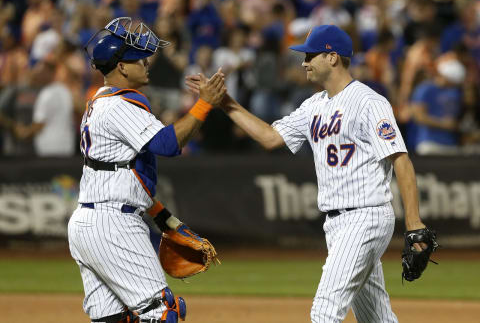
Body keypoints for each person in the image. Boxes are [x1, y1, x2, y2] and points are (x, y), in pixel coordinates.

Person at [186, 25, 431, 323]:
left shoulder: (369, 102)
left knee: (324, 312)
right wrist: (225, 103)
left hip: (365, 216)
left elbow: (400, 160)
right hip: (337, 223)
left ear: (332, 57)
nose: (304, 62)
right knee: (376, 317)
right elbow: (270, 137)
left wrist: (413, 221)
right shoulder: (313, 106)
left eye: (310, 55)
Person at [68, 17, 225, 323]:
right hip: (113, 224)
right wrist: (203, 104)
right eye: (138, 59)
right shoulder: (118, 106)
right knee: (162, 312)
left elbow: (123, 173)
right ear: (122, 67)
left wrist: (164, 218)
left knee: (115, 319)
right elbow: (167, 144)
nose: (146, 63)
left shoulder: (98, 103)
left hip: (88, 224)